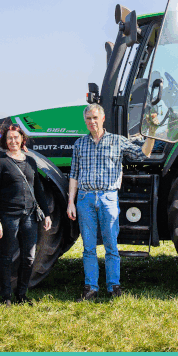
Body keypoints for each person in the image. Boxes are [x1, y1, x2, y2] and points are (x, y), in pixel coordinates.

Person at [67, 103, 153, 301]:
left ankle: (113, 286)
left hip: (108, 198)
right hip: (85, 198)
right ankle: (91, 288)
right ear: (85, 121)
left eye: (95, 118)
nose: (92, 122)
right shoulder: (79, 144)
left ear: (103, 118)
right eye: (88, 119)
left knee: (111, 245)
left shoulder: (117, 141)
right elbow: (74, 175)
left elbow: (143, 154)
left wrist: (152, 132)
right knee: (88, 247)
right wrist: (71, 202)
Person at [0, 125, 52, 305]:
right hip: (8, 216)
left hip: (29, 216)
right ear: (5, 140)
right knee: (6, 256)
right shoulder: (0, 163)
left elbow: (38, 189)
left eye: (16, 138)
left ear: (22, 139)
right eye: (9, 138)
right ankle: (6, 297)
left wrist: (47, 214)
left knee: (29, 257)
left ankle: (22, 295)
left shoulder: (30, 161)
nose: (13, 141)